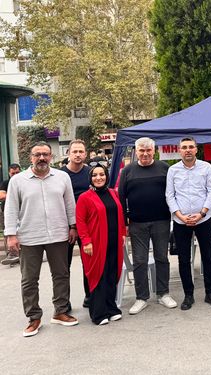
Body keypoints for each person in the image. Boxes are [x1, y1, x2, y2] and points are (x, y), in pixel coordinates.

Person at [4, 142, 79, 337]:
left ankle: (60, 311)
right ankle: (34, 317)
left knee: (61, 274)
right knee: (29, 280)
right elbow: (11, 209)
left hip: (58, 234)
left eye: (45, 154)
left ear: (51, 157)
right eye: (37, 155)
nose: (42, 158)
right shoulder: (18, 181)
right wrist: (11, 235)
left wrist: (73, 227)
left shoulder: (62, 177)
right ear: (31, 157)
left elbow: (70, 204)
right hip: (29, 236)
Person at [118, 137, 177, 315]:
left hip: (161, 221)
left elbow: (173, 193)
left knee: (161, 258)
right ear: (136, 152)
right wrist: (124, 223)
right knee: (140, 261)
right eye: (141, 151)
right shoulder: (127, 171)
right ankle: (141, 298)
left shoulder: (164, 168)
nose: (144, 154)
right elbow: (121, 198)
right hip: (137, 223)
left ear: (154, 151)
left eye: (148, 150)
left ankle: (163, 293)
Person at [166, 137, 211, 310]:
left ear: (196, 149)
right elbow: (169, 195)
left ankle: (210, 293)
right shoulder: (173, 170)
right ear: (179, 150)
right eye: (184, 147)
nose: (187, 150)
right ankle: (188, 295)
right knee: (183, 259)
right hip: (181, 221)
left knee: (208, 257)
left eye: (191, 147)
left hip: (203, 219)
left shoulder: (206, 167)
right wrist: (180, 216)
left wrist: (202, 212)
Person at [76, 164, 126, 325]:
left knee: (112, 274)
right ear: (90, 178)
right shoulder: (85, 197)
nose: (99, 178)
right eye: (95, 175)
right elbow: (80, 221)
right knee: (98, 275)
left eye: (102, 174)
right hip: (95, 243)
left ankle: (112, 309)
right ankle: (98, 313)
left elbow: (119, 214)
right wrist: (86, 241)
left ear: (107, 176)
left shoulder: (113, 193)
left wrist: (123, 234)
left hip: (114, 241)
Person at [60, 139, 92, 309]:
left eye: (81, 151)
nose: (78, 154)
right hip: (66, 227)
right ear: (69, 154)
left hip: (88, 226)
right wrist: (71, 226)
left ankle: (90, 296)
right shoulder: (60, 175)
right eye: (75, 152)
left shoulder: (92, 173)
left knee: (89, 262)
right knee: (64, 266)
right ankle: (64, 302)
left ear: (85, 154)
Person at [1, 163, 21, 266]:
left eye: (17, 172)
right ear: (9, 173)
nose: (15, 175)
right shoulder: (6, 183)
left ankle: (20, 255)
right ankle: (10, 254)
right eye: (13, 173)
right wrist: (14, 195)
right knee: (8, 232)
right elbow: (1, 195)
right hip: (8, 212)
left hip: (21, 211)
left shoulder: (23, 182)